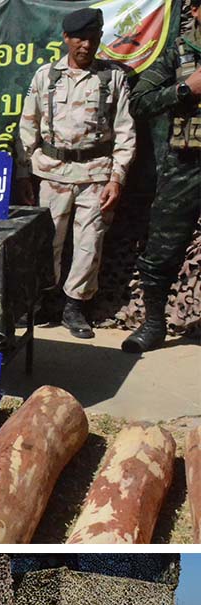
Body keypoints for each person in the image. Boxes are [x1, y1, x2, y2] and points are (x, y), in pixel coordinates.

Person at [18, 8, 136, 339]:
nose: (86, 45)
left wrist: (117, 178)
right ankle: (42, 301)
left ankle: (75, 306)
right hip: (52, 173)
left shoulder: (112, 78)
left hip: (96, 175)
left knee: (89, 243)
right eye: (79, 38)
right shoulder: (46, 76)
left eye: (92, 38)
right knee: (47, 242)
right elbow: (27, 125)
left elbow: (125, 132)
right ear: (66, 39)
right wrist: (24, 173)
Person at [122, 0, 201, 353]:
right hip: (185, 164)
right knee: (161, 249)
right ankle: (154, 324)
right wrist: (184, 90)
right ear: (194, 10)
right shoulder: (178, 53)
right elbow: (139, 102)